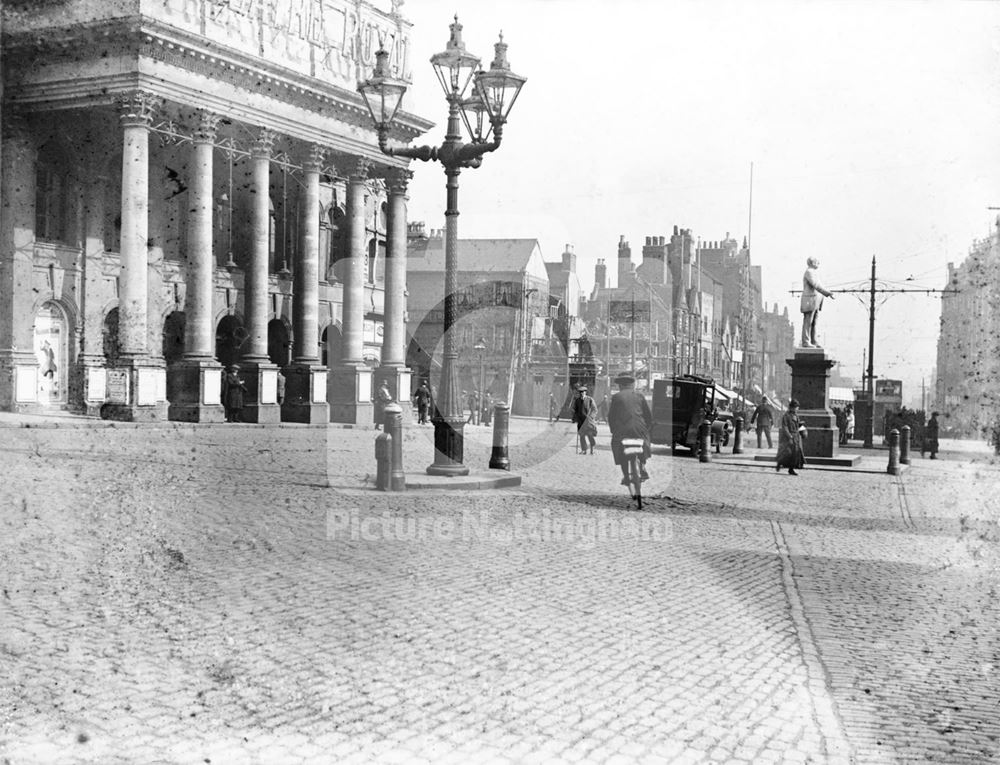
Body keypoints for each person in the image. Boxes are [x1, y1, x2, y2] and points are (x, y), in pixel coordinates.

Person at [608, 375, 653, 485]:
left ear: (621, 386)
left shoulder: (616, 397)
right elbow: (648, 415)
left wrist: (613, 430)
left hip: (622, 430)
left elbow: (611, 416)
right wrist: (646, 428)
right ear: (632, 385)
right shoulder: (640, 396)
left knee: (619, 447)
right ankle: (642, 464)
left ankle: (626, 476)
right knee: (644, 443)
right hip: (639, 428)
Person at [800, 257, 834, 348]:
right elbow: (816, 285)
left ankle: (813, 340)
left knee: (814, 322)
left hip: (815, 300)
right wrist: (827, 292)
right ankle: (806, 341)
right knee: (808, 321)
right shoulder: (809, 272)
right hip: (810, 299)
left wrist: (827, 292)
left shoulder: (813, 272)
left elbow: (820, 285)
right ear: (812, 262)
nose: (818, 263)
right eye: (817, 262)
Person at [776, 398, 806, 475]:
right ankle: (780, 463)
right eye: (796, 407)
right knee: (788, 453)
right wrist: (789, 436)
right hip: (789, 437)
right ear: (792, 407)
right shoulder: (786, 416)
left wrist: (801, 427)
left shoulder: (796, 415)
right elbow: (785, 427)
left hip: (796, 436)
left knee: (796, 453)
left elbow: (797, 424)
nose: (797, 409)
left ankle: (791, 469)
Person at [572, 385, 599, 455]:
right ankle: (584, 450)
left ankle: (592, 449)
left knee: (590, 435)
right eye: (580, 392)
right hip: (581, 421)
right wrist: (575, 418)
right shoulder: (577, 400)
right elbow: (575, 410)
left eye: (583, 392)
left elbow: (595, 409)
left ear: (585, 392)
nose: (581, 393)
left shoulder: (590, 399)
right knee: (582, 436)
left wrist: (591, 417)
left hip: (588, 422)